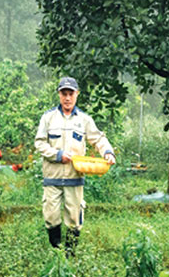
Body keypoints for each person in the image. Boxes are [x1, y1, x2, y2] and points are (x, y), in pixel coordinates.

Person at [34, 77, 116, 256]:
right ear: (59, 95)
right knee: (51, 216)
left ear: (77, 94)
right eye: (64, 93)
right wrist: (57, 155)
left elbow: (98, 139)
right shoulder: (48, 118)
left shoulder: (84, 120)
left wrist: (108, 152)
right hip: (52, 178)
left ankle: (70, 255)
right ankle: (56, 252)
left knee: (74, 218)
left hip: (74, 177)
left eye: (71, 93)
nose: (67, 98)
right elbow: (39, 144)